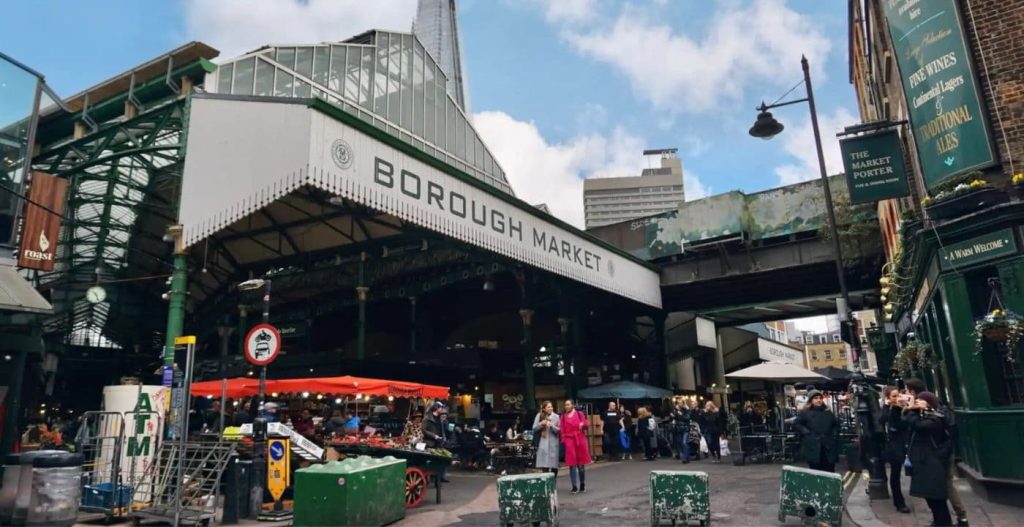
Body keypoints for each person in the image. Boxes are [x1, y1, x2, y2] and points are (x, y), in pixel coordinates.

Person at [905, 379, 967, 526]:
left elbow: (917, 426)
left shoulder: (935, 419)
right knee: (938, 490)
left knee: (943, 489)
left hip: (938, 457)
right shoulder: (932, 415)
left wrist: (912, 409)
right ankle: (947, 520)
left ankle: (958, 519)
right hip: (937, 456)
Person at [878, 386, 911, 514]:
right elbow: (883, 420)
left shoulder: (905, 407)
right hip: (894, 445)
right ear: (888, 398)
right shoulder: (887, 410)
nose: (897, 398)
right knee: (895, 474)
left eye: (898, 395)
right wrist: (891, 407)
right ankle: (899, 502)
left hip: (908, 443)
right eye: (894, 396)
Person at [793, 390, 838, 472]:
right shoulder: (805, 413)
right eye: (816, 398)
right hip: (813, 445)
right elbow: (797, 424)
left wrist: (833, 435)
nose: (818, 400)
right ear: (811, 400)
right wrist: (807, 432)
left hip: (828, 445)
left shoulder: (828, 412)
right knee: (816, 471)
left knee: (830, 470)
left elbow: (835, 425)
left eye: (820, 398)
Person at [560, 400, 592, 494]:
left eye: (568, 404)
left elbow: (586, 425)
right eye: (565, 405)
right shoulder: (563, 417)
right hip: (569, 440)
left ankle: (582, 484)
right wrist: (564, 440)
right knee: (572, 464)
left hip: (579, 439)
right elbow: (562, 429)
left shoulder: (579, 414)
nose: (566, 406)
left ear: (573, 405)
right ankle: (574, 486)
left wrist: (583, 424)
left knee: (581, 464)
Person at [423, 401, 450, 482]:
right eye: (441, 407)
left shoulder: (439, 418)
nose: (442, 409)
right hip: (430, 443)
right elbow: (424, 430)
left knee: (439, 461)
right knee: (430, 461)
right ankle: (428, 478)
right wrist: (434, 436)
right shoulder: (427, 418)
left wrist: (443, 438)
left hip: (439, 443)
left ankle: (438, 480)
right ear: (436, 408)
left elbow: (442, 429)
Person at [532, 401, 561, 474]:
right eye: (548, 407)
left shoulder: (556, 417)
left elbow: (559, 430)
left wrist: (551, 426)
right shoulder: (539, 415)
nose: (551, 408)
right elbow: (534, 429)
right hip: (542, 443)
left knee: (554, 467)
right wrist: (541, 424)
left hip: (553, 444)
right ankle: (546, 480)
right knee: (544, 467)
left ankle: (553, 481)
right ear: (544, 409)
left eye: (551, 407)